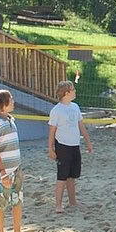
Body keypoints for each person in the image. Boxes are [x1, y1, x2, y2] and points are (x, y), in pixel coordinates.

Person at [0, 90, 27, 232]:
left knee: (17, 201)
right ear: (2, 104)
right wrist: (2, 172)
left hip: (16, 168)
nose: (13, 101)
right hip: (2, 171)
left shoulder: (10, 120)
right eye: (10, 99)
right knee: (1, 205)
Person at [48, 81, 94, 214]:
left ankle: (72, 201)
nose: (75, 91)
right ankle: (58, 205)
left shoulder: (75, 107)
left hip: (75, 145)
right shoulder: (56, 110)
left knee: (72, 175)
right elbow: (52, 131)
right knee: (62, 176)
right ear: (66, 93)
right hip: (62, 146)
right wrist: (50, 149)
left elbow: (81, 126)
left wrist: (88, 142)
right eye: (73, 89)